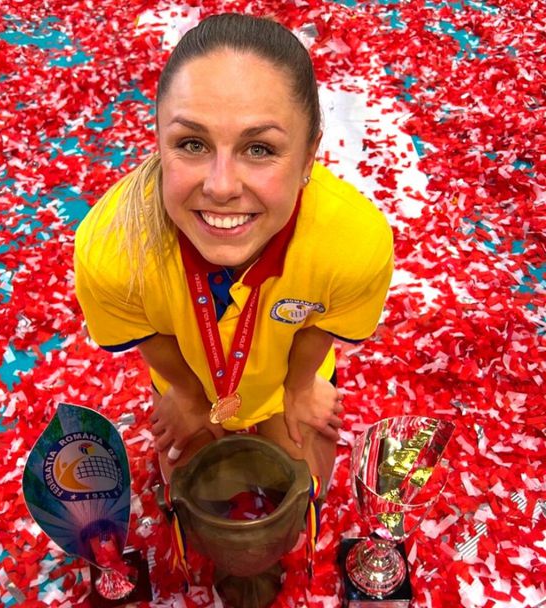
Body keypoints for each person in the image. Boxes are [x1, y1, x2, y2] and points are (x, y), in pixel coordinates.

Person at [74, 13, 393, 485]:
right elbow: (150, 334)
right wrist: (187, 395)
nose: (221, 186)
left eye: (259, 149)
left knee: (303, 487)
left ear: (309, 156)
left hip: (287, 376)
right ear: (159, 142)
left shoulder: (354, 241)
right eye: (192, 143)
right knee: (196, 495)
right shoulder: (110, 247)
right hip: (187, 377)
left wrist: (299, 389)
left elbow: (319, 324)